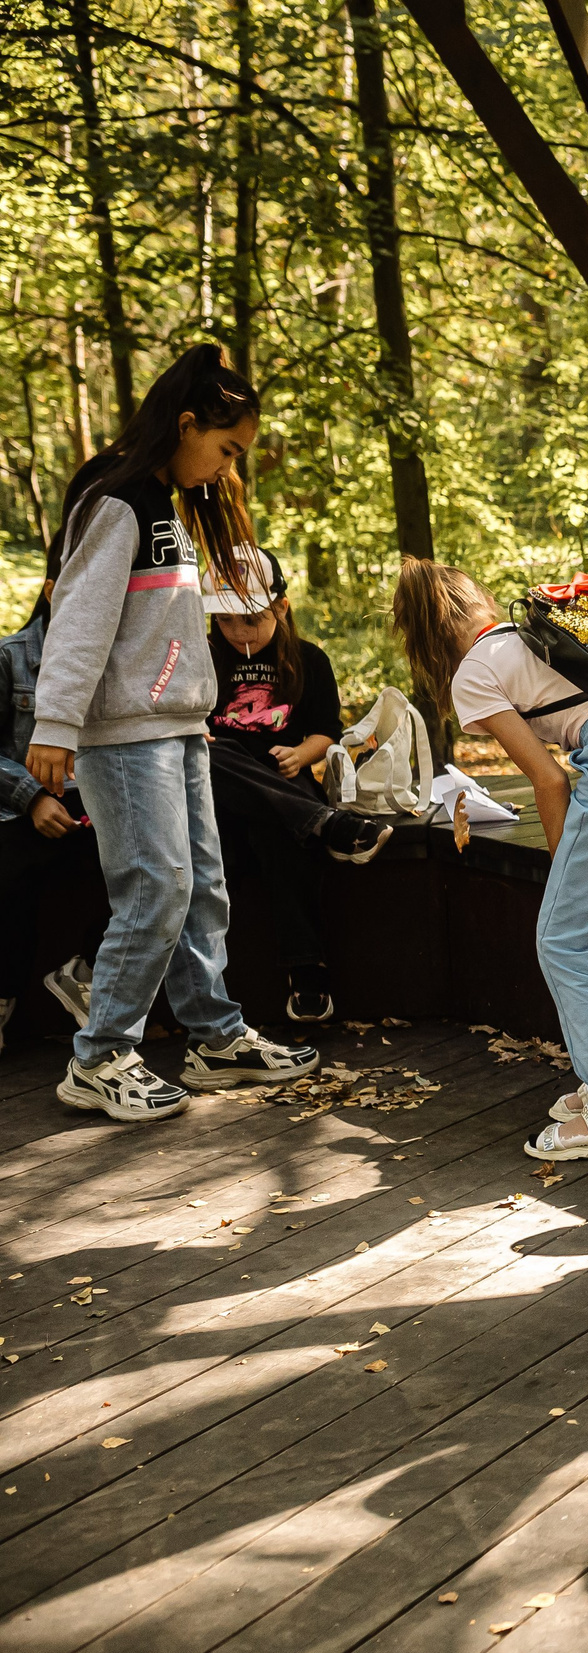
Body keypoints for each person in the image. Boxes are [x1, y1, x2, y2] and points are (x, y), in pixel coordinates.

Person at [26, 345, 318, 1119]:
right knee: (155, 887)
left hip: (178, 728)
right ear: (186, 424)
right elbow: (80, 617)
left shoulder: (167, 503)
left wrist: (192, 710)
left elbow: (163, 626)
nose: (228, 468)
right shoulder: (116, 498)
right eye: (227, 449)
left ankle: (215, 1037)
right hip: (124, 734)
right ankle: (100, 1056)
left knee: (201, 888)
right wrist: (55, 721)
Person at [392, 556, 588, 1160]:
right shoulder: (537, 631)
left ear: (422, 635)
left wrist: (563, 870)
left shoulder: (474, 672)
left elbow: (549, 779)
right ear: (481, 602)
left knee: (567, 940)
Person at [204, 545, 394, 1025]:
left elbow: (326, 731)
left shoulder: (308, 659)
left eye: (251, 619)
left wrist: (301, 754)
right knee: (211, 756)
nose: (238, 632)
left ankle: (307, 970)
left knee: (281, 837)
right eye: (224, 621)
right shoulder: (200, 658)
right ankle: (329, 825)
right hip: (218, 786)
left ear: (281, 607)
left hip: (285, 785)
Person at [0, 578, 104, 1055]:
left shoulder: (116, 653)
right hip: (20, 806)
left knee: (149, 865)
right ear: (49, 591)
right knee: (9, 873)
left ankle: (87, 973)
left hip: (99, 802)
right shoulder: (11, 656)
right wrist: (33, 799)